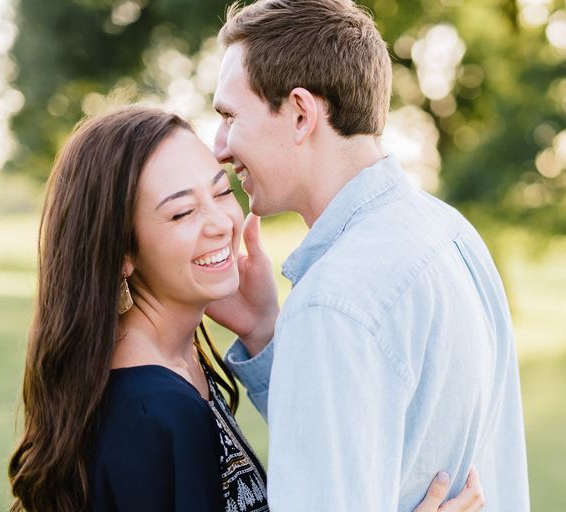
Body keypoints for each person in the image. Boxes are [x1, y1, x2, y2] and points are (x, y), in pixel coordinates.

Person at [6, 106, 484, 511]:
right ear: (122, 253)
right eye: (181, 212)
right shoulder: (153, 413)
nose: (219, 222)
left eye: (219, 192)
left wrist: (260, 327)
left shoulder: (179, 368)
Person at [205, 0, 531, 510]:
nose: (219, 146)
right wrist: (268, 333)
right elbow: (374, 445)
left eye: (229, 116)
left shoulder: (333, 305)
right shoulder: (452, 234)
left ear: (299, 113)